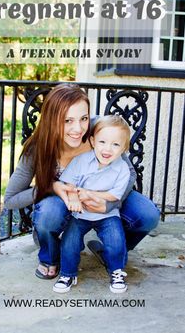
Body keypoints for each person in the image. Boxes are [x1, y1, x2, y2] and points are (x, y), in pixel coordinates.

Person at [4, 83, 160, 280]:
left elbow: (129, 171)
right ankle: (50, 256)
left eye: (83, 118)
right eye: (67, 120)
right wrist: (51, 186)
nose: (77, 128)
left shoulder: (99, 129)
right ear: (52, 120)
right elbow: (10, 199)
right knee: (49, 213)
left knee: (148, 214)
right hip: (64, 202)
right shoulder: (37, 149)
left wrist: (110, 203)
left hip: (104, 195)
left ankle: (112, 251)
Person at [53, 115, 131, 294]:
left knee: (115, 241)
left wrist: (89, 194)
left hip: (107, 215)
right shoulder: (81, 161)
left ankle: (116, 271)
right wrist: (73, 198)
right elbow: (69, 184)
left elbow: (113, 195)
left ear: (124, 148)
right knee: (69, 241)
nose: (107, 149)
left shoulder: (122, 168)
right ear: (93, 141)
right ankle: (68, 273)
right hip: (81, 214)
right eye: (102, 142)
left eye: (116, 144)